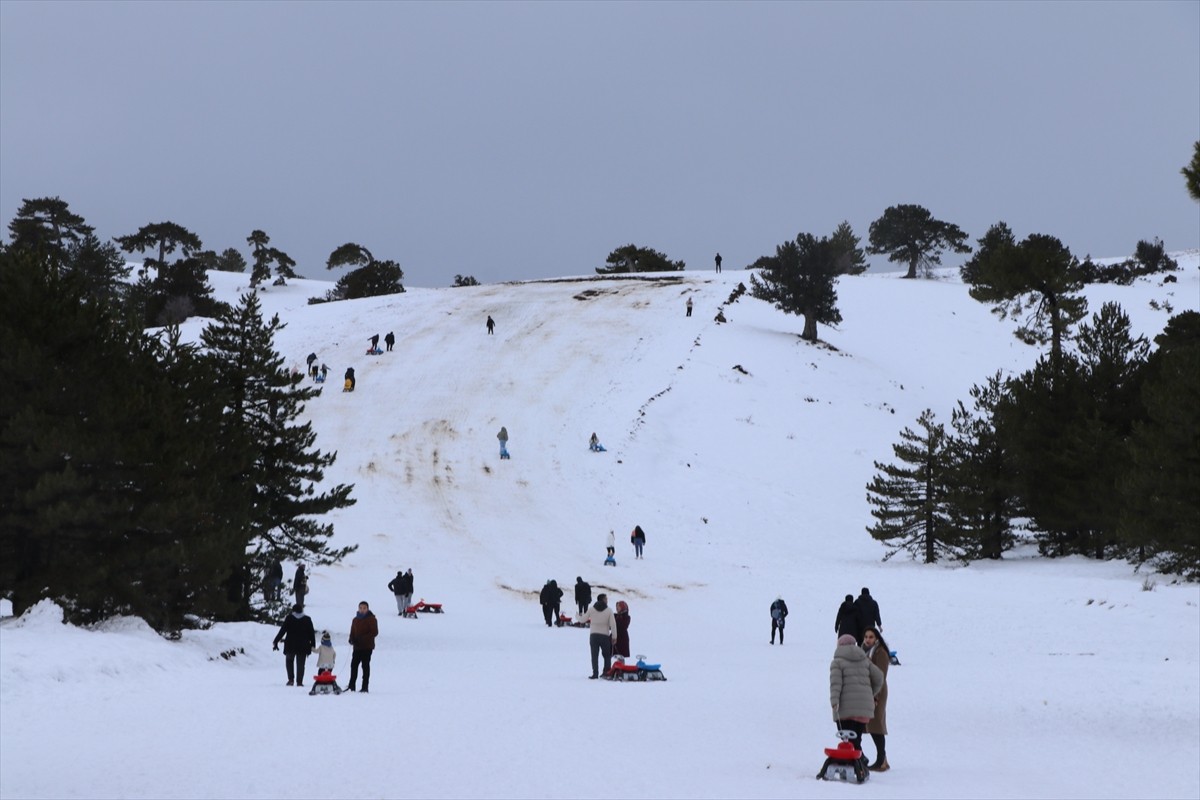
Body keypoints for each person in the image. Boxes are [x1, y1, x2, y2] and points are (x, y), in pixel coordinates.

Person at [829, 633, 884, 771]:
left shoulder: (837, 662)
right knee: (856, 737)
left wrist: (834, 701)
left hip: (845, 708)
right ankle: (858, 761)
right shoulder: (864, 660)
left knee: (846, 737)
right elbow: (879, 677)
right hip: (863, 708)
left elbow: (835, 684)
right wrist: (871, 694)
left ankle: (859, 762)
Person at [862, 627, 891, 771]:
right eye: (866, 637)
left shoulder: (880, 652)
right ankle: (882, 759)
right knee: (870, 726)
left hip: (877, 692)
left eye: (871, 637)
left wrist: (875, 696)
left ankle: (881, 760)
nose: (868, 640)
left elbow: (881, 676)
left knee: (876, 726)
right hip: (868, 691)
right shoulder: (865, 651)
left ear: (877, 638)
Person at [272, 603, 316, 687]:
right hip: (303, 645)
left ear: (293, 610)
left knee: (289, 661)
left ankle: (291, 680)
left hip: (290, 644)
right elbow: (311, 633)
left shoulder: (289, 618)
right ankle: (299, 682)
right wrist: (313, 645)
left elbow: (283, 630)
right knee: (301, 664)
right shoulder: (307, 619)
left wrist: (276, 640)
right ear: (302, 610)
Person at [582, 593, 617, 679]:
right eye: (606, 599)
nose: (607, 600)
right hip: (604, 636)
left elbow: (583, 619)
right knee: (607, 655)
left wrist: (577, 616)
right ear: (602, 600)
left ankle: (595, 673)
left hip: (593, 635)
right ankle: (606, 672)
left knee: (594, 655)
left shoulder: (591, 609)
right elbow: (613, 624)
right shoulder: (609, 610)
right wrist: (614, 636)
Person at [347, 601, 378, 693]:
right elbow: (352, 631)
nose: (362, 610)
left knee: (365, 666)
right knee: (354, 665)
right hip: (357, 647)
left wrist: (361, 639)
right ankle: (351, 686)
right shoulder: (355, 620)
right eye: (360, 608)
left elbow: (374, 632)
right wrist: (351, 639)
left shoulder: (372, 619)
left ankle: (365, 686)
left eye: (364, 608)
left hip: (367, 647)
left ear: (367, 609)